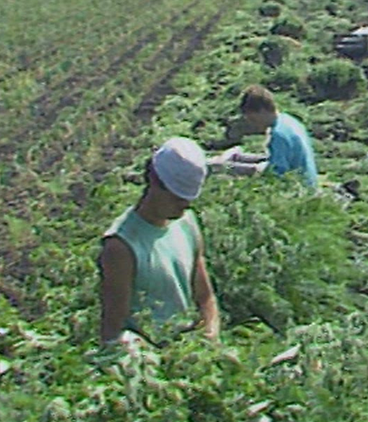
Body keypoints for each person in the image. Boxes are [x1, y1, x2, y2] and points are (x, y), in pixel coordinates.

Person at [99, 137, 220, 344]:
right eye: (176, 199)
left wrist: (210, 331)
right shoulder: (121, 246)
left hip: (187, 345)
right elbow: (113, 329)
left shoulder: (187, 223)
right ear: (153, 182)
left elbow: (205, 297)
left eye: (188, 201)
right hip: (149, 354)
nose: (183, 207)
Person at [215, 84, 318, 187]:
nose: (253, 124)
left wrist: (238, 170)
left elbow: (277, 173)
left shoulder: (278, 135)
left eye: (253, 119)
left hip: (298, 189)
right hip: (309, 183)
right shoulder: (290, 121)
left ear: (262, 111)